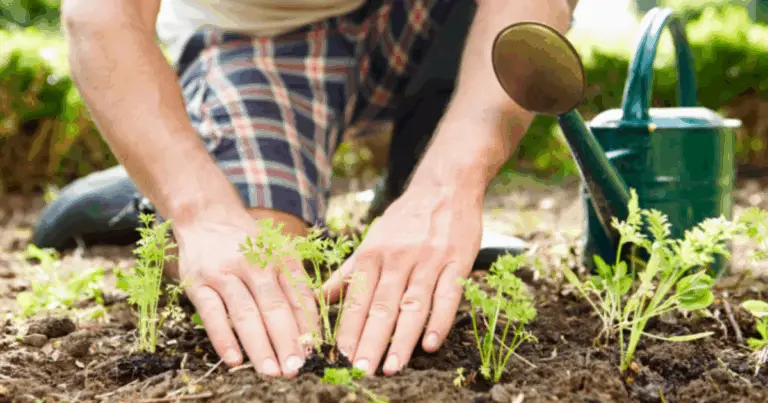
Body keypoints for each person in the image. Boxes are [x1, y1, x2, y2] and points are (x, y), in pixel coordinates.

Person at [60, 0, 574, 379]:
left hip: (430, 15)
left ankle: (408, 193)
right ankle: (169, 168)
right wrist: (199, 210)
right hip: (258, 36)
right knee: (264, 263)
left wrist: (448, 188)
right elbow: (98, 16)